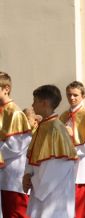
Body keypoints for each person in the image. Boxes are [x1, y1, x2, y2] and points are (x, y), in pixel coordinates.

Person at [23, 85, 77, 218]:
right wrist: (27, 174)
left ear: (44, 103)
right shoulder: (43, 126)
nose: (32, 105)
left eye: (35, 101)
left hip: (53, 194)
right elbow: (33, 155)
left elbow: (57, 167)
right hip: (40, 187)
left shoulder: (56, 129)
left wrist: (33, 181)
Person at [59, 81, 85, 218]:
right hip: (67, 165)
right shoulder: (63, 116)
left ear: (83, 96)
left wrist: (74, 153)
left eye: (75, 95)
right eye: (69, 95)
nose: (71, 98)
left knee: (83, 207)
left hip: (83, 167)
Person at [0, 71, 32, 218]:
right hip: (3, 175)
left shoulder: (15, 113)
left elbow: (17, 146)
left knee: (17, 213)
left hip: (13, 175)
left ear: (6, 88)